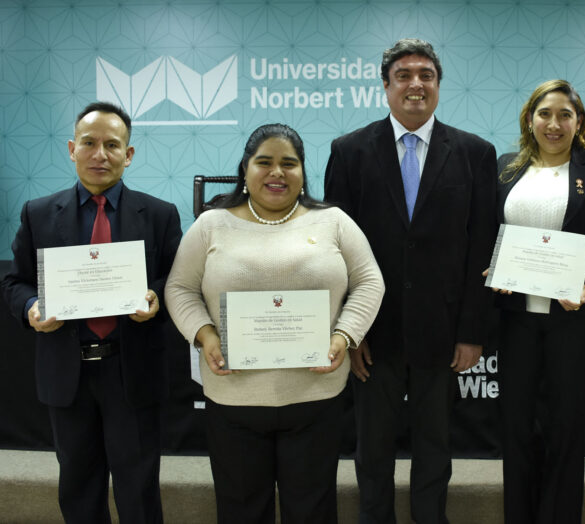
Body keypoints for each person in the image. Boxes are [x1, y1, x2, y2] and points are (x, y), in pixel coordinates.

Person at [164, 123, 384, 524]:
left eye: (289, 163)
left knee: (313, 508)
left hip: (315, 397)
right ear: (245, 170)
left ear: (303, 172)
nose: (277, 173)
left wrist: (344, 335)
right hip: (233, 400)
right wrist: (204, 333)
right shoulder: (211, 224)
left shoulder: (333, 221)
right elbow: (179, 288)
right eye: (264, 162)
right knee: (241, 509)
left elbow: (370, 281)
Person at [324, 38, 497, 523]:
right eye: (403, 75)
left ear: (438, 86)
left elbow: (483, 247)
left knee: (435, 449)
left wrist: (471, 331)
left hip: (443, 332)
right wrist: (348, 331)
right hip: (371, 333)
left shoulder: (475, 153)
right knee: (371, 451)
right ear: (386, 87)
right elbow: (335, 251)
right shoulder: (349, 150)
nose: (415, 84)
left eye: (426, 75)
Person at [1, 101, 182, 523]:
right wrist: (31, 307)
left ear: (129, 154)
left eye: (112, 145)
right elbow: (14, 281)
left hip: (131, 372)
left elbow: (177, 284)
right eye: (89, 143)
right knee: (79, 488)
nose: (100, 154)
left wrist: (156, 299)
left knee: (138, 489)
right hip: (68, 374)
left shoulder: (159, 214)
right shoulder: (39, 213)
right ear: (71, 148)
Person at [489, 79, 585, 523]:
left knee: (566, 429)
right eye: (544, 114)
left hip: (574, 319)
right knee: (515, 427)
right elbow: (489, 233)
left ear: (579, 122)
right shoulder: (505, 168)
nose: (554, 124)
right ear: (529, 119)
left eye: (564, 115)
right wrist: (493, 269)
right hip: (515, 319)